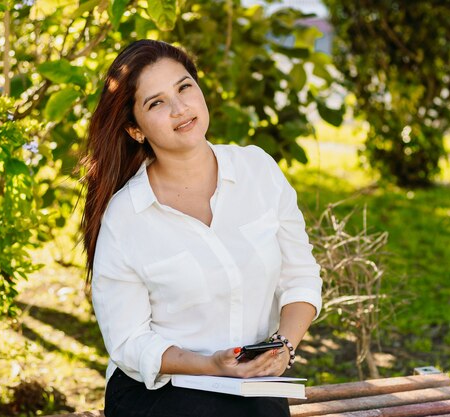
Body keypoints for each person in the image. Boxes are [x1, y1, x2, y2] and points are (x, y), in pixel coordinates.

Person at [81, 39, 322, 417]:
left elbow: (301, 277)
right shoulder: (126, 216)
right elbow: (129, 342)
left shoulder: (258, 171)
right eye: (156, 102)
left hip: (252, 389)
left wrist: (283, 347)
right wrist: (211, 365)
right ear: (135, 129)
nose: (180, 109)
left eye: (184, 87)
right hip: (163, 391)